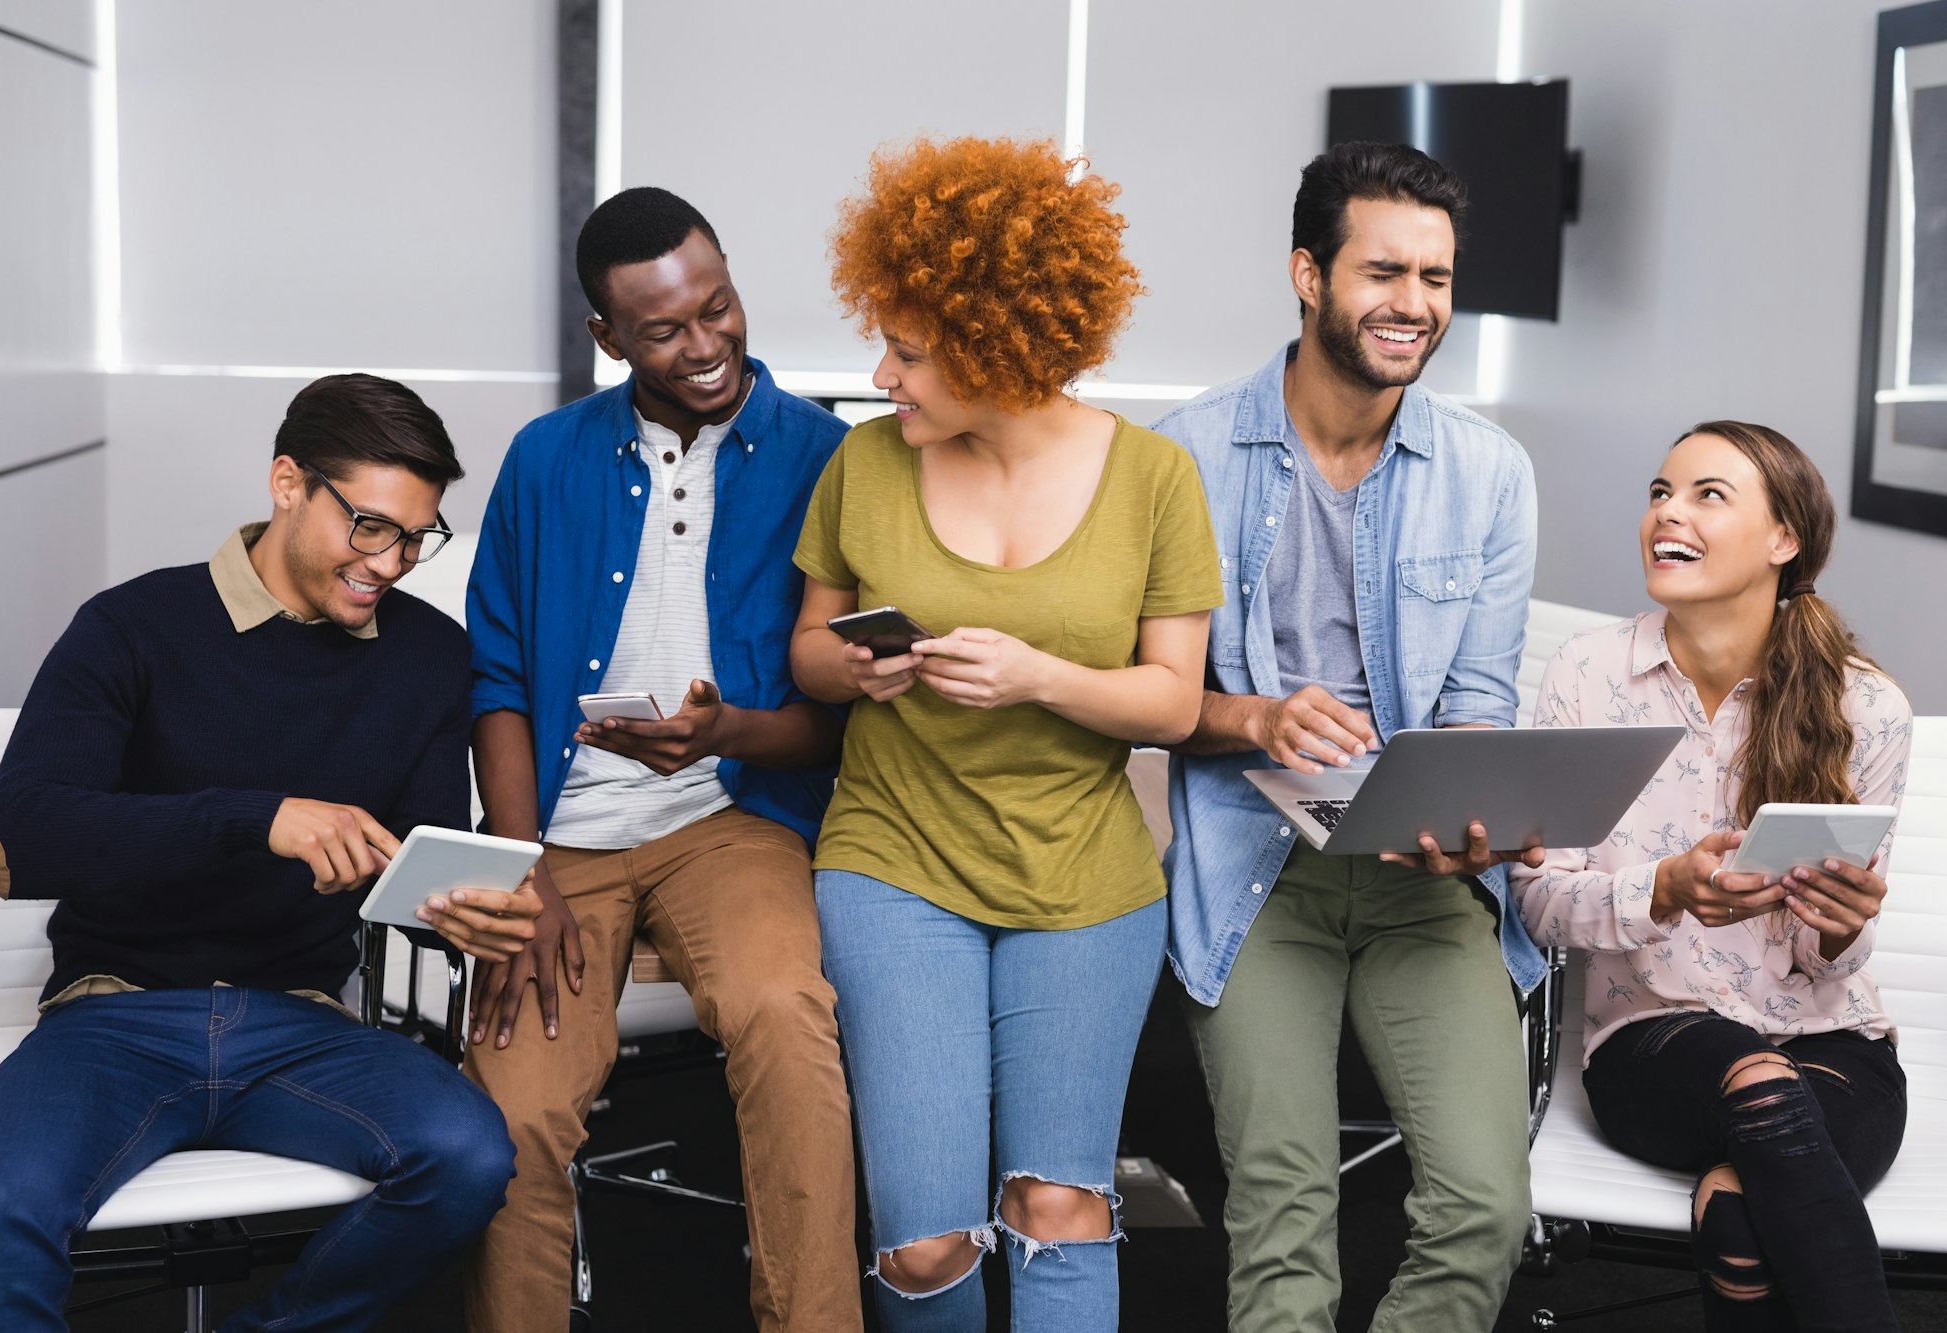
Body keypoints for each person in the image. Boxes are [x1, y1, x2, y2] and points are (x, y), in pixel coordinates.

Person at [0, 374, 540, 1331]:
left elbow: (411, 857)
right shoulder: (132, 625)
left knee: (467, 1156)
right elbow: (25, 835)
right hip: (115, 1016)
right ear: (287, 483)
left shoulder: (433, 657)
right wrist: (255, 817)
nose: (391, 562)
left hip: (302, 1026)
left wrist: (458, 906)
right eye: (369, 527)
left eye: (416, 536)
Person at [790, 135, 1222, 1331]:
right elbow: (808, 653)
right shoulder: (861, 465)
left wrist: (1037, 675)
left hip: (1084, 880)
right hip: (895, 864)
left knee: (1057, 1205)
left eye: (912, 353)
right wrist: (856, 672)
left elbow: (1174, 704)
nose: (884, 375)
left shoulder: (1154, 479)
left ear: (1001, 346)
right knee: (925, 1243)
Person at [1153, 141, 1545, 1332]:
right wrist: (1254, 716)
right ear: (1306, 274)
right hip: (1254, 868)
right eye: (1384, 272)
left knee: (1484, 1206)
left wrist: (1474, 820)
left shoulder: (1487, 473)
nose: (1413, 305)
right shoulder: (1179, 455)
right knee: (1279, 1213)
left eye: (1433, 278)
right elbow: (1144, 691)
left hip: (1419, 874)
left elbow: (1479, 698)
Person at [462, 186, 858, 1333]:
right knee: (514, 1114)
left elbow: (837, 722)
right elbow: (495, 678)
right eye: (663, 330)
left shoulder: (828, 460)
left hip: (728, 815)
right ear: (606, 338)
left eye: (717, 307)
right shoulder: (545, 460)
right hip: (563, 833)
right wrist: (517, 860)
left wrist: (721, 730)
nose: (704, 345)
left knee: (784, 1018)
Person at [1513, 421, 1912, 1330]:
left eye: (1706, 495)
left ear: (1784, 540)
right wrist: (1663, 891)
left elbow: (1836, 967)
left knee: (1736, 1209)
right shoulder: (1587, 674)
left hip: (1836, 1046)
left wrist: (1843, 925)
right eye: (1660, 492)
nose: (1667, 514)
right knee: (1756, 1082)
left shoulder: (1867, 705)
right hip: (1653, 1045)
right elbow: (1536, 901)